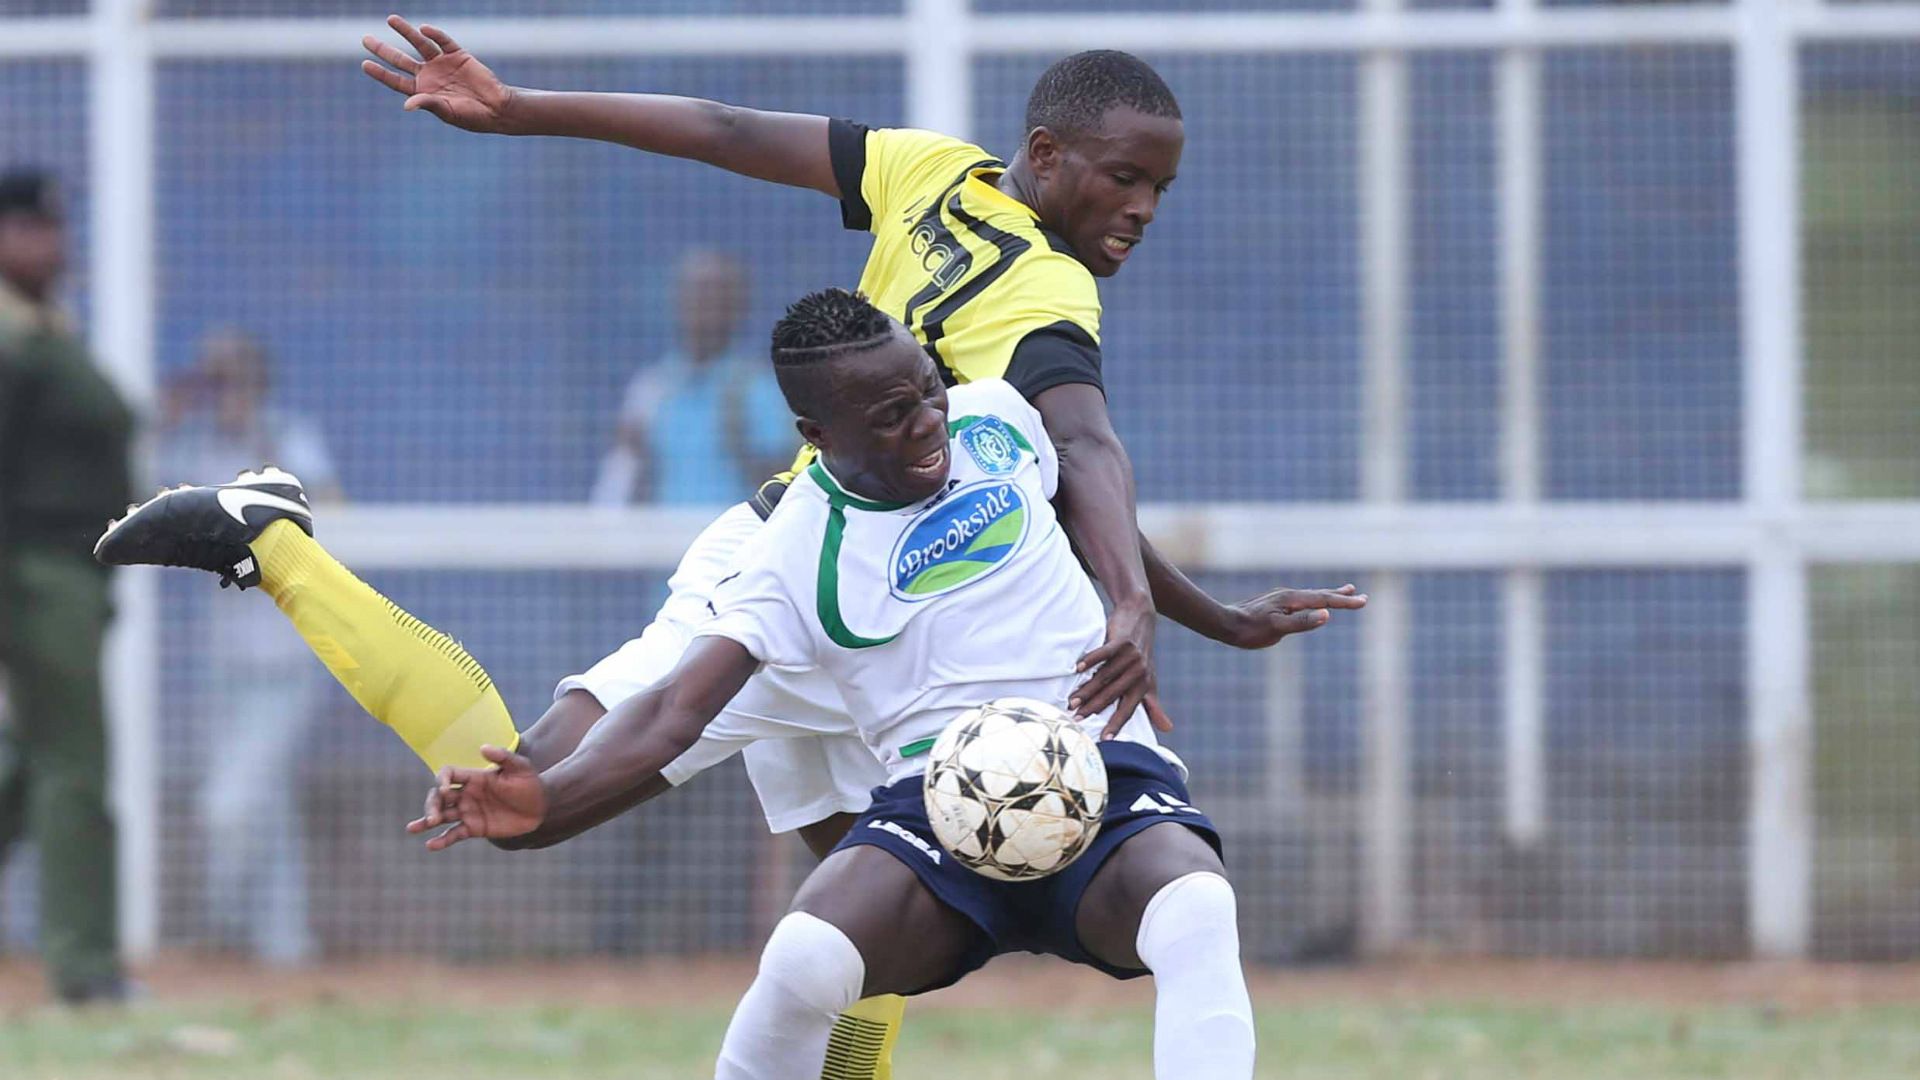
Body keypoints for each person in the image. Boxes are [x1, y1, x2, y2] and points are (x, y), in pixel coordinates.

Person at [98, 23, 1363, 1076]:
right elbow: (1080, 448)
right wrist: (1147, 611)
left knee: (850, 918)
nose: (1140, 209)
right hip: (810, 576)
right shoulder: (1047, 293)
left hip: (911, 605)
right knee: (532, 783)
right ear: (1046, 154)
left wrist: (521, 104)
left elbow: (720, 131)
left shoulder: (935, 173)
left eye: (1160, 188)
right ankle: (279, 544)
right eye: (1124, 179)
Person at [413, 290, 1257, 1080]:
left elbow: (1088, 501)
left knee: (1194, 908)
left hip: (1101, 773)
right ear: (817, 434)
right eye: (893, 418)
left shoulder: (999, 420)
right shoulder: (790, 556)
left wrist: (1163, 612)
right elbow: (675, 710)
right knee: (803, 959)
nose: (930, 423)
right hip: (933, 810)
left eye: (929, 392)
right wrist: (550, 797)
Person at [159, 328, 342, 964]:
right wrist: (167, 418)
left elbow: (330, 514)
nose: (223, 388)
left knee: (231, 805)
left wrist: (257, 446)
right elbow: (140, 499)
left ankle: (220, 925)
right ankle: (284, 944)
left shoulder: (290, 437)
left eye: (232, 374)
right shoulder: (196, 445)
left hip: (289, 659)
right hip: (223, 662)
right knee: (268, 804)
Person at [0, 168, 133, 1004]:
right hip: (32, 574)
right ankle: (86, 970)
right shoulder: (11, 342)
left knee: (37, 760)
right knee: (74, 767)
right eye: (33, 227)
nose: (54, 243)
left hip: (65, 575)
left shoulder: (42, 328)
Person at [590, 250, 793, 506]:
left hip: (735, 540)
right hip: (661, 540)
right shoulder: (651, 388)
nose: (704, 305)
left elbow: (785, 487)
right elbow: (622, 482)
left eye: (715, 295)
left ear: (737, 306)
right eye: (695, 293)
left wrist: (739, 442)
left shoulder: (759, 390)